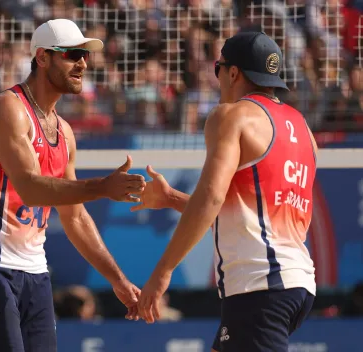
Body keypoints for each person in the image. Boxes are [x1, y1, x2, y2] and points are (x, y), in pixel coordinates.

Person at [0, 19, 145, 352]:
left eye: (84, 55)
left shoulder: (64, 132)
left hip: (34, 271)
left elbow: (76, 217)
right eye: (71, 54)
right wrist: (103, 187)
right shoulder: (6, 109)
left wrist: (118, 279)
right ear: (42, 58)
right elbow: (31, 189)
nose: (82, 63)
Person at [133, 31, 318, 352]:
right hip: (294, 282)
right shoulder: (303, 129)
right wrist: (171, 198)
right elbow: (242, 211)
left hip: (260, 283)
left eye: (218, 68)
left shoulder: (232, 116)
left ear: (233, 72)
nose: (216, 78)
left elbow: (211, 198)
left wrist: (163, 272)